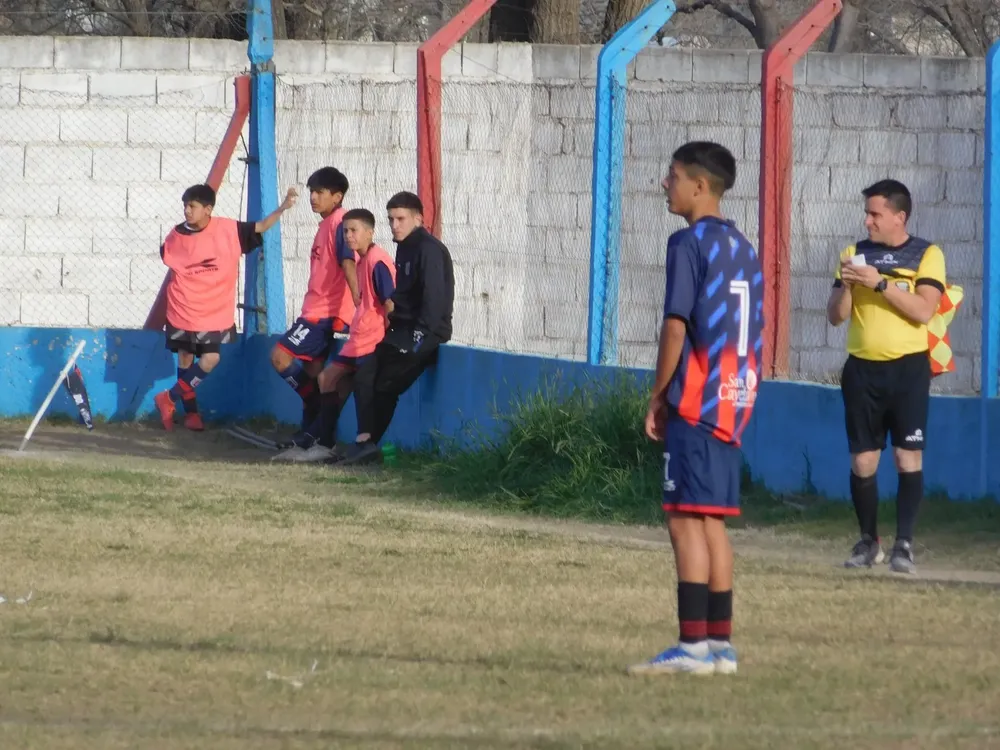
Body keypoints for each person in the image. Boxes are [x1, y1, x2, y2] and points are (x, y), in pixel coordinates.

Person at [629, 142, 764, 677]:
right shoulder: (743, 246)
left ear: (699, 186)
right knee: (711, 520)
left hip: (698, 395)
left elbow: (676, 324)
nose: (665, 184)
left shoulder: (688, 242)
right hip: (736, 397)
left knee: (684, 518)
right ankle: (720, 648)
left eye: (673, 175)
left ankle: (691, 648)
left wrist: (659, 393)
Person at [827, 179, 946, 574]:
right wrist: (847, 285)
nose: (868, 221)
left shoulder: (927, 254)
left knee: (906, 455)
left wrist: (878, 284)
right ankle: (868, 541)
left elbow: (923, 310)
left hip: (908, 370)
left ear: (899, 216)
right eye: (867, 213)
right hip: (862, 370)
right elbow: (835, 316)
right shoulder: (854, 254)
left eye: (875, 214)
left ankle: (905, 545)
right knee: (863, 461)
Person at [154, 183, 297, 431]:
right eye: (185, 206)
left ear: (208, 209)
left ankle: (169, 398)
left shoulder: (228, 229)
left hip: (212, 312)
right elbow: (168, 255)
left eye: (193, 206)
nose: (187, 211)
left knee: (211, 358)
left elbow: (261, 227)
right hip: (183, 308)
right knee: (186, 359)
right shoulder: (177, 235)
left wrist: (283, 207)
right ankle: (191, 415)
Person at [335, 191, 454, 466]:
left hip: (425, 333)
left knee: (386, 385)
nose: (394, 225)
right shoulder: (404, 247)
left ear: (418, 218)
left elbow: (434, 301)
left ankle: (368, 446)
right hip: (401, 331)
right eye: (390, 219)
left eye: (400, 219)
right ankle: (364, 442)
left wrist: (418, 337)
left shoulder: (429, 249)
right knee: (365, 376)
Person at [273, 208, 396, 463]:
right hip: (356, 339)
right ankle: (323, 442)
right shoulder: (363, 260)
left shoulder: (377, 261)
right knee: (326, 379)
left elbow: (390, 303)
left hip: (372, 341)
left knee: (362, 390)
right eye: (346, 231)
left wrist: (389, 338)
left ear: (369, 232)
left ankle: (362, 444)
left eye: (354, 231)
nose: (349, 236)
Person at [270, 167, 359, 441]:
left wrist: (359, 299)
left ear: (337, 196)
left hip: (322, 315)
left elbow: (348, 262)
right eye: (311, 191)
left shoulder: (341, 222)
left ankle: (316, 411)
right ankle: (313, 434)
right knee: (312, 372)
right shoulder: (326, 224)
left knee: (280, 357)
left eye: (319, 192)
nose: (313, 197)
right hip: (315, 311)